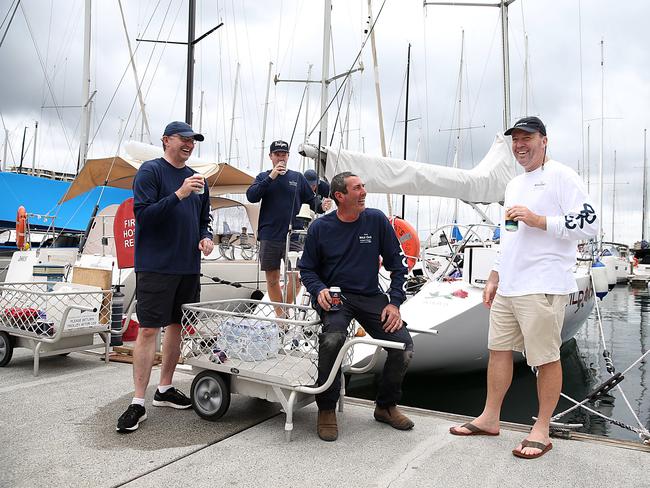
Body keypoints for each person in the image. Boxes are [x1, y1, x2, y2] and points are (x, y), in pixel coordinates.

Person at [449, 116, 598, 459]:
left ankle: (542, 430)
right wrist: (494, 275)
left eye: (526, 137)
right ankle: (489, 418)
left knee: (545, 358)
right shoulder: (515, 185)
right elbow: (510, 237)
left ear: (544, 140)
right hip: (510, 286)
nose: (520, 144)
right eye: (515, 139)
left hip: (543, 284)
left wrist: (540, 220)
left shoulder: (562, 176)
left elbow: (589, 224)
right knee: (498, 351)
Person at [299, 171, 414, 442]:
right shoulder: (320, 228)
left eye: (363, 186)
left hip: (369, 296)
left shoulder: (375, 221)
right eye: (357, 188)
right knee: (333, 339)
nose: (363, 192)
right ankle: (326, 408)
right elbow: (307, 270)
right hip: (336, 297)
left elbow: (398, 266)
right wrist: (319, 289)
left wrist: (394, 303)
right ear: (340, 196)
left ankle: (385, 406)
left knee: (404, 347)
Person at [116, 121, 214, 433]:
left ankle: (165, 388)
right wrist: (179, 194)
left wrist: (206, 237)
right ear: (166, 140)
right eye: (183, 139)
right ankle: (137, 402)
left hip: (188, 266)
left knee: (177, 328)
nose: (189, 144)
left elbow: (203, 220)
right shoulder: (150, 171)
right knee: (147, 331)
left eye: (193, 140)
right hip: (156, 266)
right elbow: (144, 215)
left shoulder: (199, 180)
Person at [246, 140, 319, 311]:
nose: (281, 158)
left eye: (283, 154)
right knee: (272, 279)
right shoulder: (263, 177)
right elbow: (251, 196)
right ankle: (281, 320)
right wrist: (271, 177)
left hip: (294, 235)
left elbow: (312, 201)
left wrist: (324, 204)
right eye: (277, 154)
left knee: (297, 278)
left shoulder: (297, 177)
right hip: (269, 235)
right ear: (270, 156)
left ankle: (282, 312)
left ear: (288, 156)